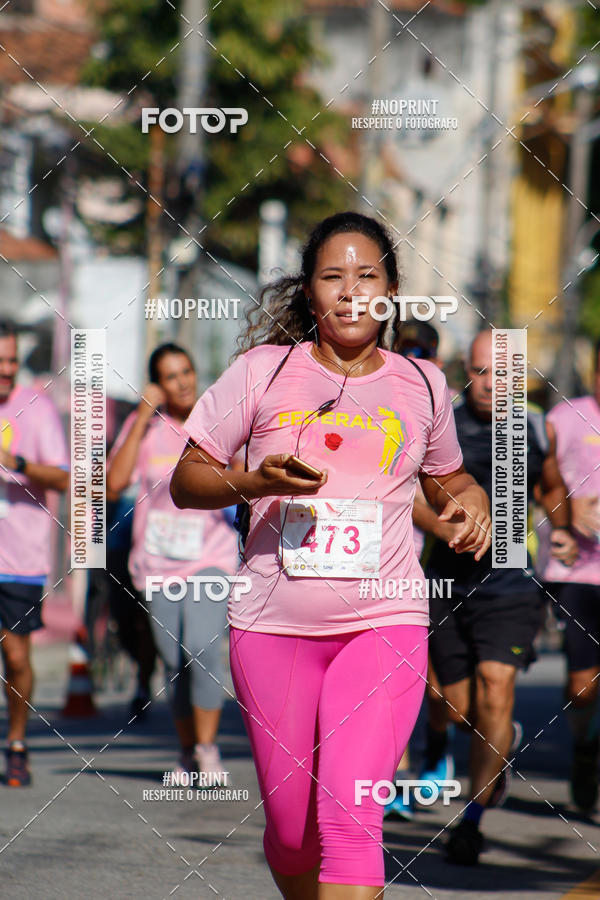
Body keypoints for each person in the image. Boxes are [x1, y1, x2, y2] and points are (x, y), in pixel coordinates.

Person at [170, 211, 491, 899]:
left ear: (391, 289)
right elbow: (186, 478)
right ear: (309, 292)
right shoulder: (262, 372)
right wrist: (254, 481)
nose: (350, 291)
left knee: (350, 814)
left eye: (366, 275)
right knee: (294, 835)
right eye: (332, 276)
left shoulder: (423, 384)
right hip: (272, 627)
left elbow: (448, 477)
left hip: (385, 621)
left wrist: (472, 500)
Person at [418, 329, 578, 865]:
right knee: (454, 706)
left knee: (496, 686)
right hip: (444, 578)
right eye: (480, 371)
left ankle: (473, 821)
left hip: (510, 582)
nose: (488, 384)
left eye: (501, 373)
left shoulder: (533, 426)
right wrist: (443, 529)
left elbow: (551, 487)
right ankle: (493, 735)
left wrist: (561, 528)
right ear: (466, 370)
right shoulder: (443, 422)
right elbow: (409, 491)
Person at [107, 343, 237, 775]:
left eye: (186, 371)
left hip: (210, 556)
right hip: (159, 563)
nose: (181, 382)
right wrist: (143, 415)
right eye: (170, 376)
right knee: (172, 657)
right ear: (157, 385)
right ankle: (187, 752)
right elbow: (113, 485)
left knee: (201, 648)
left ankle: (207, 749)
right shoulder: (145, 429)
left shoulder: (217, 423)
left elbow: (245, 473)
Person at [0, 320, 69, 786]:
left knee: (17, 660)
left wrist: (17, 463)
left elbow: (67, 478)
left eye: (10, 360)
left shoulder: (36, 409)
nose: (6, 369)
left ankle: (17, 740)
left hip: (19, 559)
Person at [536, 338, 600, 814]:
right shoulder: (565, 417)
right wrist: (566, 510)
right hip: (577, 570)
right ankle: (584, 747)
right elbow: (534, 476)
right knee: (582, 685)